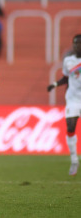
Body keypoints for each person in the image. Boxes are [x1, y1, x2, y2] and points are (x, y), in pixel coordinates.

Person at [47, 34, 81, 176]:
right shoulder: (68, 60)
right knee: (71, 126)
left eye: (79, 43)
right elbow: (66, 78)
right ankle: (74, 159)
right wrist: (54, 84)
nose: (76, 46)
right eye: (75, 43)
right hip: (73, 99)